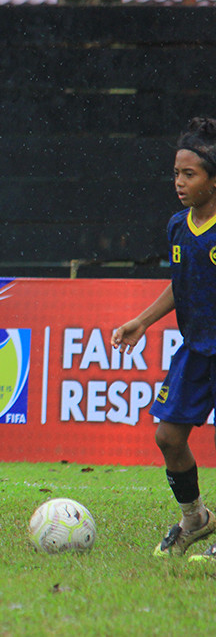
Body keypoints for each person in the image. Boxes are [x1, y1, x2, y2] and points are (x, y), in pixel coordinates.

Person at [112, 117, 216, 560]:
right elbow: (182, 282)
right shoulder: (178, 226)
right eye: (176, 172)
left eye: (189, 174)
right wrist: (143, 320)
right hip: (196, 350)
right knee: (168, 436)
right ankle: (195, 519)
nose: (178, 181)